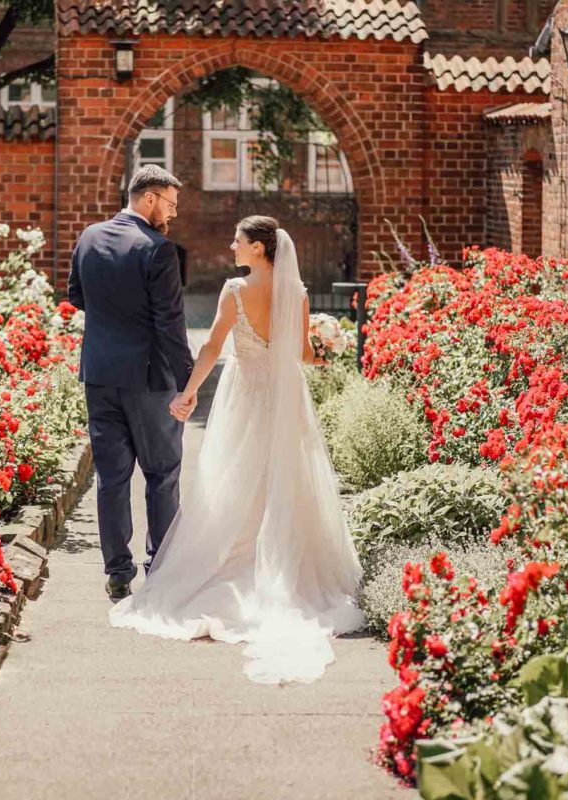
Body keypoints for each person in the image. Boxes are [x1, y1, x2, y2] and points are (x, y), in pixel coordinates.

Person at [109, 215, 366, 685]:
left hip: (245, 395)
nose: (231, 246)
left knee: (235, 480)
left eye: (239, 241)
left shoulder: (234, 291)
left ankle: (235, 562)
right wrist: (326, 338)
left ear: (259, 250)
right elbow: (305, 355)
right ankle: (285, 569)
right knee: (284, 478)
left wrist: (187, 393)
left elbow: (211, 348)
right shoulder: (298, 293)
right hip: (285, 399)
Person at [67, 165, 196, 602]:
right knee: (162, 474)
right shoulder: (158, 250)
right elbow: (170, 325)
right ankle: (159, 568)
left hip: (99, 374)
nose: (172, 215)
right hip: (149, 379)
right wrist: (189, 382)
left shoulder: (88, 237)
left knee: (111, 476)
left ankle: (117, 573)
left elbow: (76, 297)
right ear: (149, 199)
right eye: (170, 205)